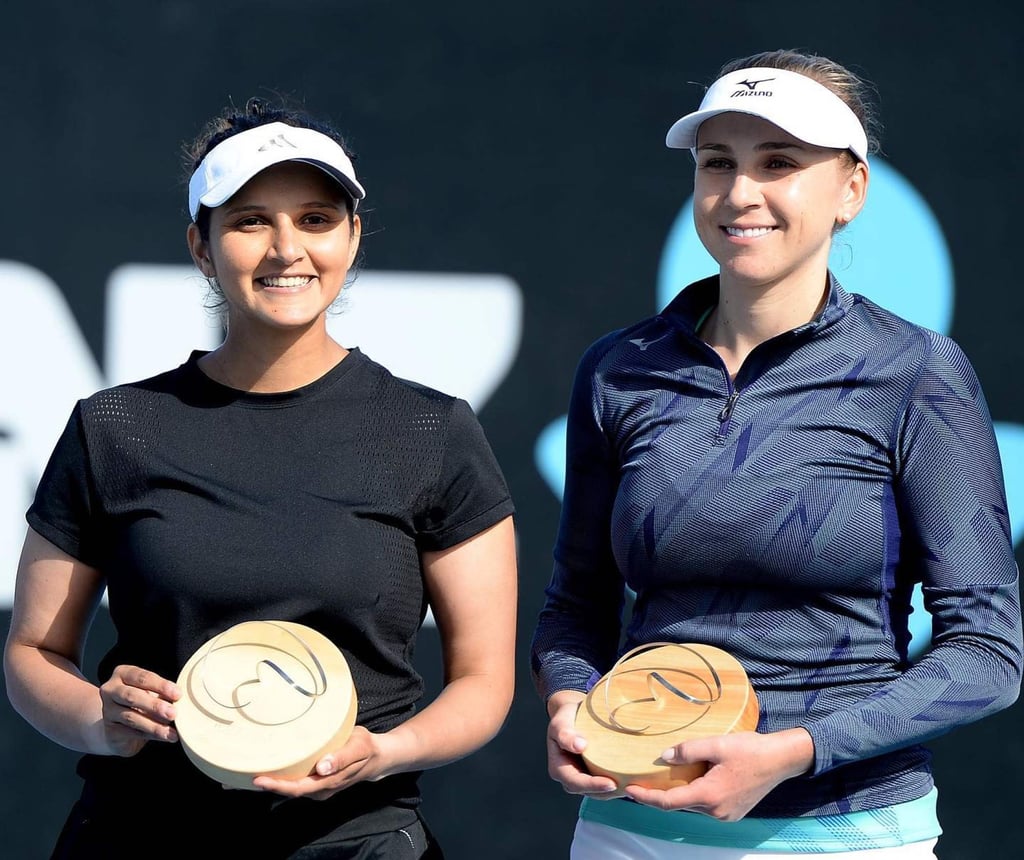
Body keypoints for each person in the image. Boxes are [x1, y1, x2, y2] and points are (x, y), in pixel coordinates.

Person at [530, 48, 1022, 859]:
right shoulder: (618, 370)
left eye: (779, 163)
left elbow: (986, 654)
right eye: (717, 163)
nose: (740, 193)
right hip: (631, 827)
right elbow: (576, 609)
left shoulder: (917, 373)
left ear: (851, 190)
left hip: (848, 833)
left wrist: (791, 752)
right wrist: (572, 702)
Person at [4, 97, 518, 859]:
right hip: (138, 833)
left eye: (315, 218)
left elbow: (482, 681)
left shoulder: (430, 430)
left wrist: (389, 751)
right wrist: (96, 718)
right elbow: (33, 654)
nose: (286, 249)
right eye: (249, 221)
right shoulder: (116, 426)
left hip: (356, 840)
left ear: (351, 237)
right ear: (202, 247)